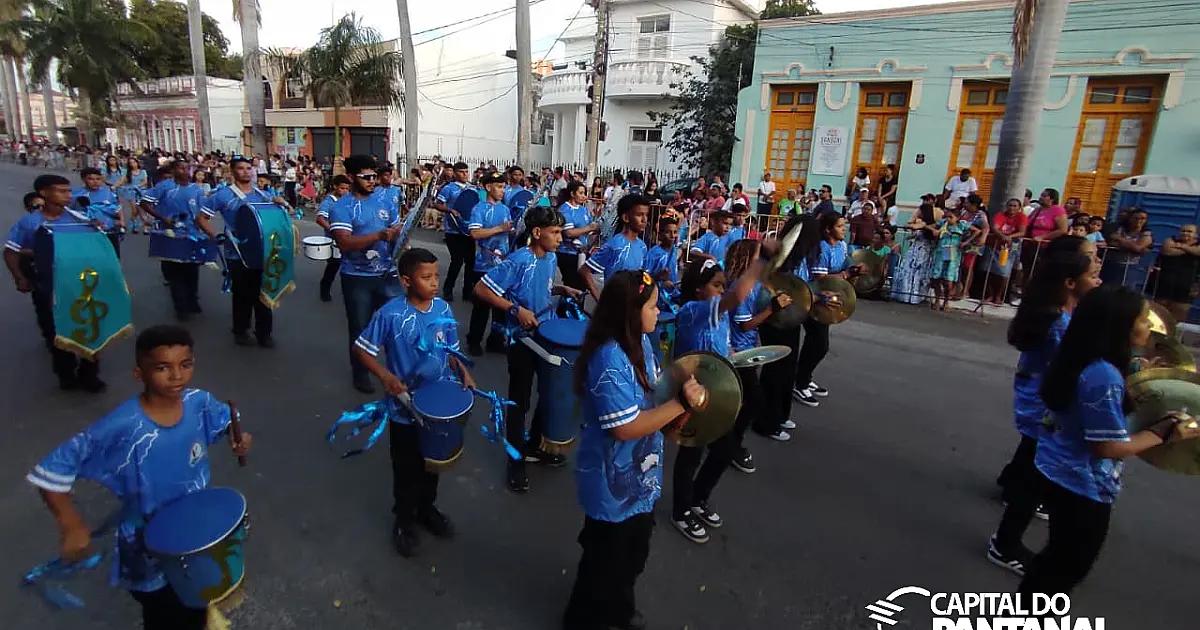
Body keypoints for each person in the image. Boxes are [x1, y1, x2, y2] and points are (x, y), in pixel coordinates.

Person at [25, 325, 251, 630]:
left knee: (197, 598)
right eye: (162, 368)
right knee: (164, 613)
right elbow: (51, 470)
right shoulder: (122, 425)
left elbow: (229, 421)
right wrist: (71, 525)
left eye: (185, 365)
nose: (177, 376)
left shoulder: (199, 401)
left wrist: (240, 439)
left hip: (194, 531)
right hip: (146, 546)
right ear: (138, 373)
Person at [1019, 284, 1200, 596]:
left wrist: (1135, 372)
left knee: (1054, 560)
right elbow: (1106, 447)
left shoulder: (1083, 357)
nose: (1150, 327)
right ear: (1120, 327)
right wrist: (1163, 432)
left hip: (1058, 468)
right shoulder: (1103, 377)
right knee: (1066, 567)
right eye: (1143, 320)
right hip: (1081, 484)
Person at [562, 269, 708, 630]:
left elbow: (654, 393)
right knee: (603, 564)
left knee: (633, 555)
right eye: (653, 306)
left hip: (641, 476)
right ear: (630, 311)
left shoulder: (641, 342)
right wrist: (681, 405)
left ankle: (619, 610)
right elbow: (625, 428)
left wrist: (682, 393)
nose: (659, 311)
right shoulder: (608, 359)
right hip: (611, 480)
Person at [352, 247, 475, 557]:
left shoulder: (443, 309)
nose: (434, 283)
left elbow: (451, 350)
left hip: (438, 408)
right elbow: (362, 349)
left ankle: (426, 509)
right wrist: (385, 376)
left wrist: (464, 373)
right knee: (406, 467)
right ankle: (404, 520)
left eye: (436, 276)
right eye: (426, 277)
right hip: (404, 408)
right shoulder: (390, 314)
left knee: (433, 463)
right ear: (406, 281)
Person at [989, 237, 1100, 576]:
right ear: (1070, 282)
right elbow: (1077, 365)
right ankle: (1005, 543)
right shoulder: (1057, 324)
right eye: (1092, 272)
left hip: (1042, 404)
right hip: (1043, 408)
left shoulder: (1061, 315)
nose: (1098, 276)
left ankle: (1011, 526)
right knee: (1032, 480)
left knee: (1031, 474)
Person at [474, 206, 583, 492]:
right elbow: (482, 290)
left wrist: (562, 290)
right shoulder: (518, 259)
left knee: (548, 395)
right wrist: (515, 309)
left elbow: (542, 289)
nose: (560, 238)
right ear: (536, 232)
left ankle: (535, 446)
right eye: (555, 232)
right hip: (522, 341)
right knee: (519, 402)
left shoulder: (551, 257)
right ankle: (515, 460)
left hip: (548, 338)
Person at [669, 254, 763, 543]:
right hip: (692, 395)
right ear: (699, 289)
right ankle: (681, 510)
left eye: (724, 285)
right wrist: (761, 261)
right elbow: (736, 296)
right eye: (717, 285)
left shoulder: (721, 318)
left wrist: (734, 358)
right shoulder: (692, 311)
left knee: (724, 451)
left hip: (717, 396)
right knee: (691, 455)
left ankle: (699, 498)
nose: (722, 291)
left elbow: (723, 348)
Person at [4, 174, 106, 392]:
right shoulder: (30, 222)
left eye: (68, 191)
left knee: (90, 330)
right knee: (57, 333)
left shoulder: (79, 218)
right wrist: (20, 278)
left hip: (82, 285)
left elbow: (97, 248)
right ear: (44, 193)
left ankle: (89, 374)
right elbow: (11, 251)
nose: (68, 195)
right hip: (49, 286)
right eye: (61, 191)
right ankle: (66, 374)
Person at [328, 154, 402, 394]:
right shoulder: (341, 207)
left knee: (396, 324)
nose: (373, 181)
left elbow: (397, 231)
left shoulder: (385, 201)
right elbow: (345, 243)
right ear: (351, 177)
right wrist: (379, 236)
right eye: (366, 177)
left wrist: (402, 243)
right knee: (360, 328)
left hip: (388, 274)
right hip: (357, 277)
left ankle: (399, 371)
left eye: (374, 176)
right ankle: (360, 374)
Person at [726, 239, 795, 468]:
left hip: (745, 348)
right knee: (753, 401)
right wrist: (772, 309)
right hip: (739, 352)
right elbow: (745, 324)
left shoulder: (749, 284)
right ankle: (732, 446)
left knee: (742, 400)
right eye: (758, 257)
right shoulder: (743, 287)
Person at [196, 156, 278, 348]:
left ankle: (264, 333)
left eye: (249, 168)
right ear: (233, 172)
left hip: (262, 251)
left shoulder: (262, 194)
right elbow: (201, 217)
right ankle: (241, 331)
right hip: (237, 252)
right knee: (242, 294)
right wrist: (214, 235)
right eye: (241, 168)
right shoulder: (222, 195)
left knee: (264, 293)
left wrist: (280, 204)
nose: (246, 172)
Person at [795, 213, 866, 406]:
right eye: (840, 226)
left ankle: (804, 377)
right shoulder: (820, 248)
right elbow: (821, 279)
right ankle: (800, 383)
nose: (844, 229)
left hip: (829, 298)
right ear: (828, 230)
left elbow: (845, 263)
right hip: (814, 297)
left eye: (844, 226)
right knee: (819, 343)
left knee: (816, 342)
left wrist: (856, 267)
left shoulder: (841, 246)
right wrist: (847, 274)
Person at [141, 159, 209, 321]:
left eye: (187, 168)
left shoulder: (197, 190)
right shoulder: (165, 187)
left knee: (192, 270)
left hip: (192, 235)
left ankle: (192, 300)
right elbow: (144, 203)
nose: (185, 171)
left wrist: (207, 232)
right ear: (173, 170)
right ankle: (180, 307)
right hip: (170, 234)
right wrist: (163, 218)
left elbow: (202, 213)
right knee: (175, 272)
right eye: (181, 168)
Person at [466, 171, 514, 356]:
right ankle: (474, 340)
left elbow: (508, 232)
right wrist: (500, 228)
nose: (503, 190)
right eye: (499, 187)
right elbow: (475, 233)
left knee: (500, 307)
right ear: (488, 187)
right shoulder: (479, 209)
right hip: (484, 264)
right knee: (481, 306)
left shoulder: (505, 209)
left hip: (503, 264)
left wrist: (512, 231)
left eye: (504, 187)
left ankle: (496, 340)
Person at [580, 194, 651, 301]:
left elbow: (643, 275)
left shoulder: (642, 246)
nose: (644, 219)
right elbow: (584, 270)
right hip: (614, 305)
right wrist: (600, 300)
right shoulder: (615, 245)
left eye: (646, 215)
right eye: (639, 215)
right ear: (626, 218)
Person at [433, 162, 474, 302]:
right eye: (461, 172)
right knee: (457, 261)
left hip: (468, 230)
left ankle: (468, 291)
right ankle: (448, 289)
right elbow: (437, 204)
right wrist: (450, 210)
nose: (465, 174)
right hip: (453, 230)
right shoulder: (448, 188)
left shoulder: (472, 188)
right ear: (455, 173)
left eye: (466, 171)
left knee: (471, 261)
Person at [981, 198, 1029, 305]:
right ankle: (990, 295)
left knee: (1004, 273)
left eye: (1015, 206)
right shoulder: (1000, 215)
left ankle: (999, 296)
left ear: (1019, 207)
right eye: (1010, 205)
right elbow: (995, 228)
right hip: (995, 245)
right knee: (990, 271)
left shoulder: (1022, 217)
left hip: (1010, 248)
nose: (1012, 208)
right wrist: (1002, 236)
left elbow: (1022, 232)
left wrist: (1010, 237)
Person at [557, 180, 598, 298]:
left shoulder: (583, 209)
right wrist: (589, 228)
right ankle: (567, 307)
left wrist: (594, 231)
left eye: (584, 193)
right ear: (572, 194)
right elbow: (569, 232)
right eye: (581, 193)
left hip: (582, 253)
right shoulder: (564, 209)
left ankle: (578, 306)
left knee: (582, 285)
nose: (583, 196)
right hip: (568, 253)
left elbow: (591, 227)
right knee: (572, 284)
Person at [315, 175, 352, 302]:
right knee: (333, 266)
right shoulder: (329, 202)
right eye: (342, 188)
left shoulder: (348, 200)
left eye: (347, 189)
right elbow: (320, 219)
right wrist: (333, 230)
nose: (345, 191)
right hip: (334, 241)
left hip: (348, 239)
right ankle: (324, 288)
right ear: (335, 187)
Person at [1152, 224, 1200, 322]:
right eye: (1183, 231)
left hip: (1187, 285)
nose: (1185, 233)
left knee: (1179, 314)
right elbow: (1168, 251)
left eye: (1189, 231)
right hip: (1165, 282)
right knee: (1158, 313)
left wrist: (1179, 246)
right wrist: (1190, 249)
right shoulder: (1170, 240)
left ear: (1196, 235)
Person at [73, 167, 123, 255]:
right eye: (91, 179)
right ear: (83, 179)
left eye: (98, 179)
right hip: (86, 233)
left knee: (112, 257)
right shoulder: (75, 194)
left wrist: (122, 222)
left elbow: (117, 208)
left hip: (108, 231)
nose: (95, 182)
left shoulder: (108, 193)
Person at [930, 208, 967, 311]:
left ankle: (946, 301)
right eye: (947, 217)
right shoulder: (943, 223)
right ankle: (937, 300)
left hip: (953, 252)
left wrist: (966, 242)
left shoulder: (961, 225)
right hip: (941, 250)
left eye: (951, 217)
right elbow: (930, 226)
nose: (948, 219)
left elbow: (977, 231)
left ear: (957, 218)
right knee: (937, 276)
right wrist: (934, 231)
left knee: (948, 279)